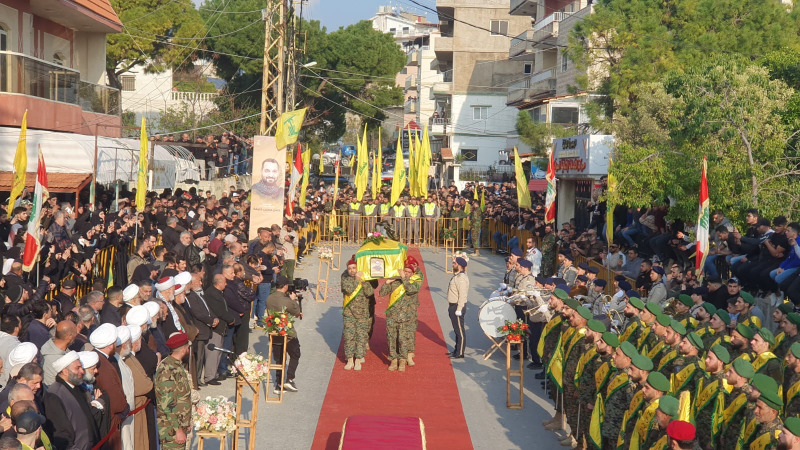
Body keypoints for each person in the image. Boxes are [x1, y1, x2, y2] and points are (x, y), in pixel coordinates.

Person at [42, 351, 100, 450]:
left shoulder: (77, 388)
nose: (82, 371)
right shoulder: (54, 394)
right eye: (77, 368)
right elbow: (60, 431)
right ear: (65, 371)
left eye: (81, 367)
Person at [379, 260, 421, 372]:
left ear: (412, 274)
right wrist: (387, 282)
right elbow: (382, 293)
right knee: (391, 339)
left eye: (408, 272)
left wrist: (404, 278)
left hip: (405, 318)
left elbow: (412, 290)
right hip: (392, 316)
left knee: (403, 340)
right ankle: (393, 360)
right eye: (405, 271)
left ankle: (402, 360)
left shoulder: (413, 282)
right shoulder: (395, 282)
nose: (406, 273)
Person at [154, 332, 192, 450]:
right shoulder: (167, 369)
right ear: (183, 350)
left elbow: (182, 395)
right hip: (171, 429)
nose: (189, 350)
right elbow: (167, 404)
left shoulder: (176, 365)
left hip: (180, 424)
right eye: (188, 348)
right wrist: (178, 429)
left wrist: (186, 422)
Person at [266, 275, 302, 393]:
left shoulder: (269, 298)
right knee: (295, 354)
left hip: (274, 333)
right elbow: (297, 312)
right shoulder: (286, 300)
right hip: (287, 333)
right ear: (285, 286)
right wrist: (293, 300)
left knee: (280, 360)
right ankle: (290, 379)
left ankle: (278, 385)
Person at [340, 257, 374, 371]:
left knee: (361, 337)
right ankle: (350, 359)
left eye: (354, 268)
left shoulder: (364, 277)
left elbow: (369, 292)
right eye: (349, 268)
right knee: (349, 336)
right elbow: (348, 289)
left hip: (362, 313)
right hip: (349, 313)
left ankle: (358, 359)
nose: (352, 270)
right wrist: (356, 279)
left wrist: (362, 281)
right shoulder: (345, 277)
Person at [447, 257, 469, 359]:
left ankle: (460, 352)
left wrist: (459, 309)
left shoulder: (461, 279)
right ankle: (456, 349)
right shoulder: (457, 276)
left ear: (459, 265)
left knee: (460, 331)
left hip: (457, 306)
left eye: (454, 263)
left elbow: (462, 295)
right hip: (453, 305)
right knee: (457, 330)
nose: (453, 265)